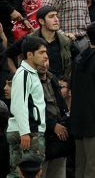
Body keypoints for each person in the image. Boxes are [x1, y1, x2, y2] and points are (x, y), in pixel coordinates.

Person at [7, 36, 47, 178]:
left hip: (27, 129)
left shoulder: (29, 73)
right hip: (28, 131)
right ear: (30, 54)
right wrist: (25, 132)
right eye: (41, 52)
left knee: (18, 174)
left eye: (46, 52)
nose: (45, 56)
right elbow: (19, 104)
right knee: (28, 174)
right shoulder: (23, 74)